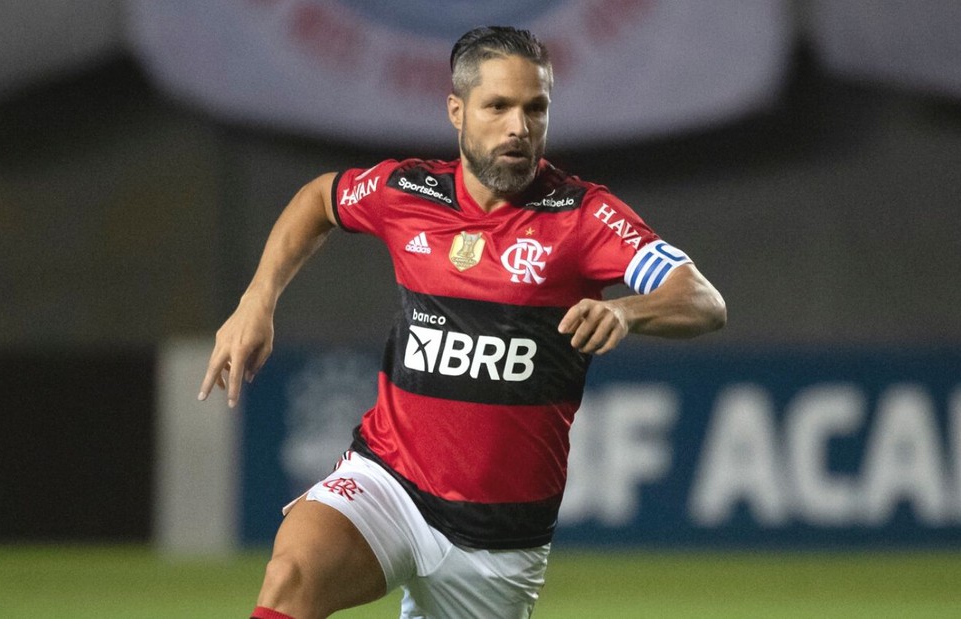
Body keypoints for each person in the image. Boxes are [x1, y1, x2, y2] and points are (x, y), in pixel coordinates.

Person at [199, 25, 726, 619]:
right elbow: (320, 199)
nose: (518, 128)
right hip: (389, 483)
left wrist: (625, 311)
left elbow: (703, 300)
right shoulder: (409, 191)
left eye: (535, 108)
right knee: (291, 576)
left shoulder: (584, 216)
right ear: (457, 110)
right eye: (498, 106)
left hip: (497, 544)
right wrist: (257, 300)